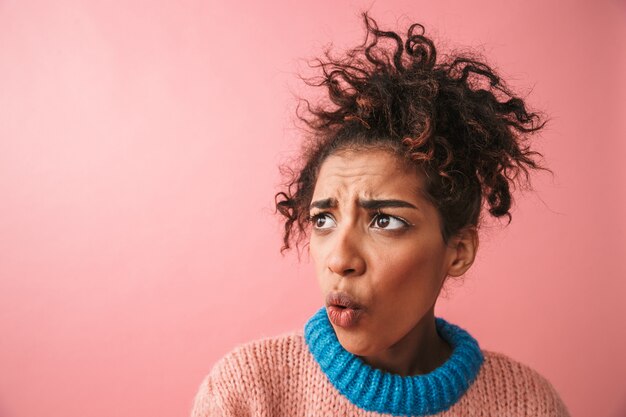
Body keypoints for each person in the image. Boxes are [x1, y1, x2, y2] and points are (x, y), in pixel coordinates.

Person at [190, 12, 570, 417]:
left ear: (457, 250)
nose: (339, 259)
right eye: (323, 220)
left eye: (384, 221)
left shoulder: (528, 404)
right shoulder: (247, 393)